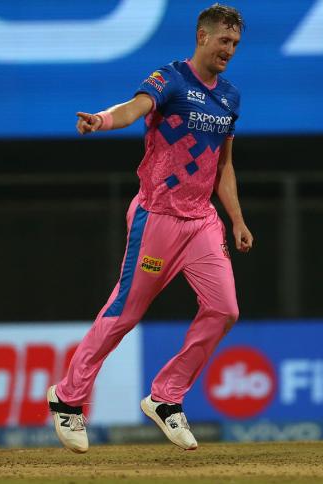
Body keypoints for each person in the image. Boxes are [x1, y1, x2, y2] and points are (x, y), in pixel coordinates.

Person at [47, 3, 252, 453]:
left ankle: (166, 397)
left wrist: (236, 218)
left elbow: (225, 167)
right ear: (202, 37)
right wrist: (102, 120)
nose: (229, 51)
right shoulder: (171, 79)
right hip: (157, 215)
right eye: (223, 41)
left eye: (235, 44)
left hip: (201, 221)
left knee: (225, 310)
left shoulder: (230, 97)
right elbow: (134, 108)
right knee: (126, 312)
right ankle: (67, 397)